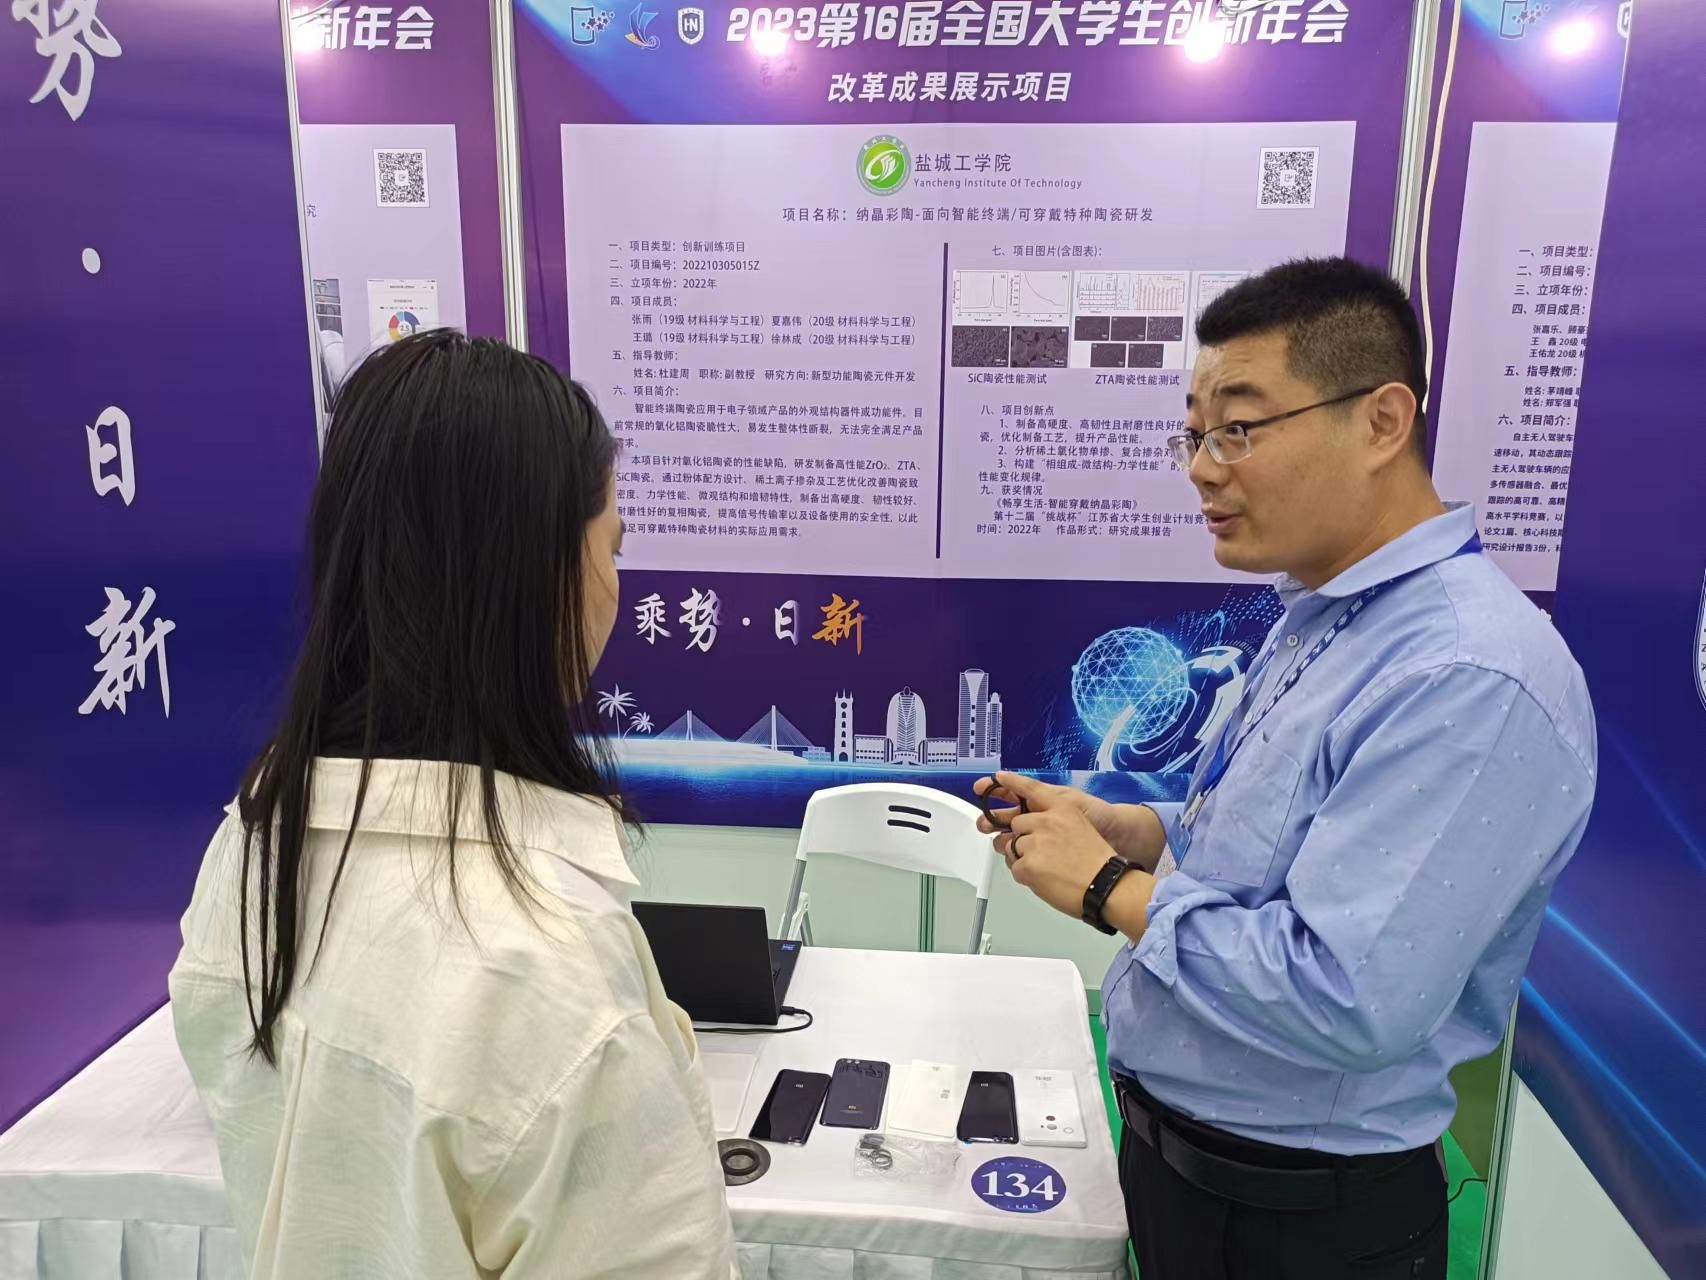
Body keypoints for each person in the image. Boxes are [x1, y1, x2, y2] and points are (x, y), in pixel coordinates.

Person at [977, 258, 1595, 1279]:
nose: (1201, 468)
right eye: (1192, 434)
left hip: (1299, 1223)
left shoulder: (1467, 674)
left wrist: (1107, 885)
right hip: (1186, 1174)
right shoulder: (1319, 617)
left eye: (1238, 428)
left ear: (1381, 421)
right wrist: (1144, 834)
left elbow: (1347, 993)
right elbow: (1268, 847)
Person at [169, 331, 737, 1278]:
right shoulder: (548, 978)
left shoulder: (248, 855)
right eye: (612, 545)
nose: (616, 584)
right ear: (541, 577)